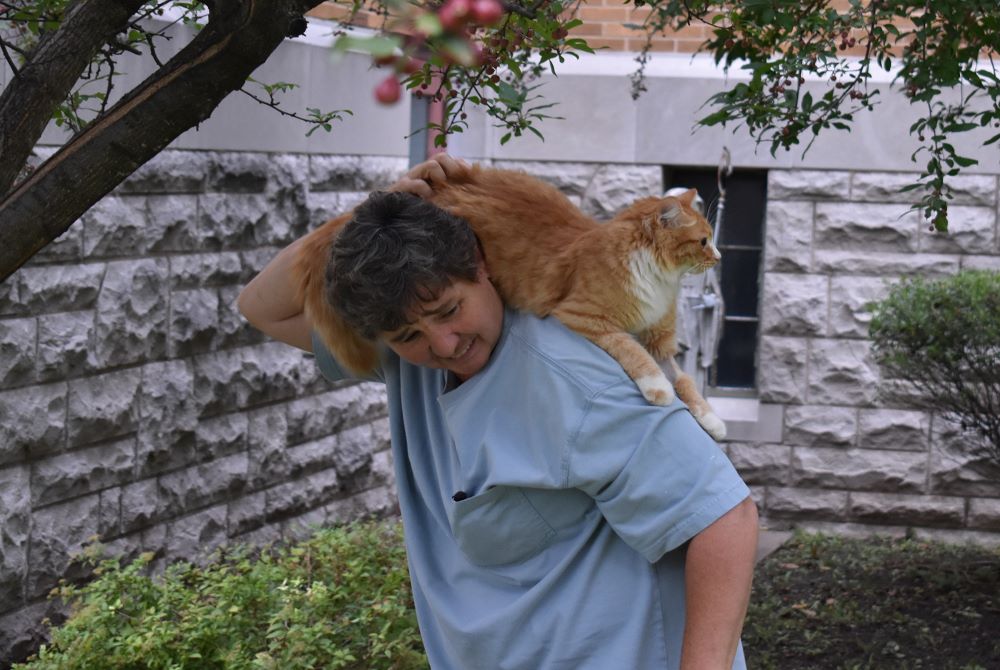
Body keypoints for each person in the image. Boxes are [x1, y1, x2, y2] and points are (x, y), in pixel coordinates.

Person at [238, 154, 758, 670]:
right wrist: (377, 217)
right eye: (408, 336)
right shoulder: (406, 360)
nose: (443, 344)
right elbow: (262, 306)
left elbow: (725, 518)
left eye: (449, 310)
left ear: (482, 268)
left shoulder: (570, 373)